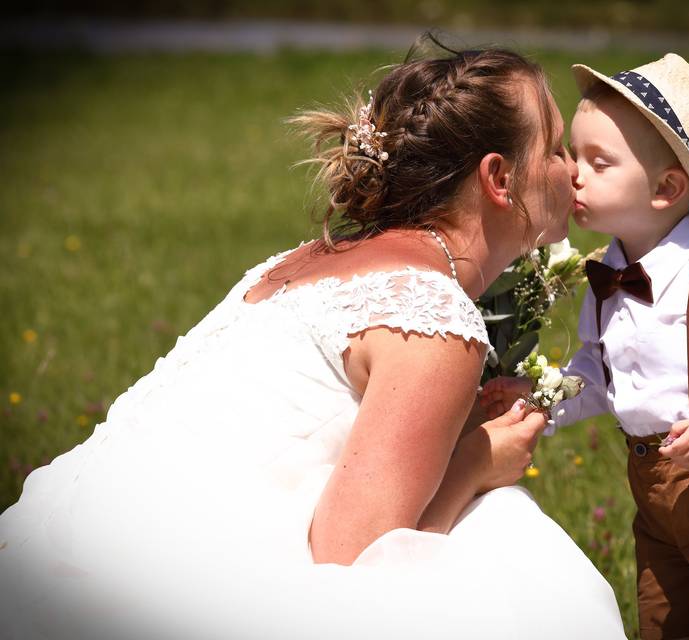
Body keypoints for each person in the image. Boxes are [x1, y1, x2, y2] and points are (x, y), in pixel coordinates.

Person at [0, 38, 627, 640]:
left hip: (79, 530)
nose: (571, 171)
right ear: (499, 178)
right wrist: (477, 463)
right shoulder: (433, 318)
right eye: (552, 148)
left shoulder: (310, 257)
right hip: (170, 579)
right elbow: (351, 565)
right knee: (517, 557)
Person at [482, 53, 689, 639]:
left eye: (598, 162)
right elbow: (598, 365)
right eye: (572, 155)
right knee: (664, 618)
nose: (573, 175)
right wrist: (542, 399)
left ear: (665, 188)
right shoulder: (607, 273)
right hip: (656, 497)